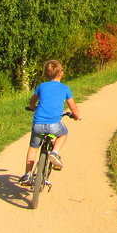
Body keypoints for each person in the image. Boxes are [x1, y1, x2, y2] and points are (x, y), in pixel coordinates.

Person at [20, 59, 81, 187]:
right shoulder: (65, 88)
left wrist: (32, 107)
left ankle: (28, 174)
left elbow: (33, 101)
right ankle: (55, 153)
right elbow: (73, 107)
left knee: (33, 147)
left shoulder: (41, 87)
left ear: (46, 74)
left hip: (38, 124)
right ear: (61, 73)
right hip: (54, 125)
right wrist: (76, 116)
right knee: (64, 133)